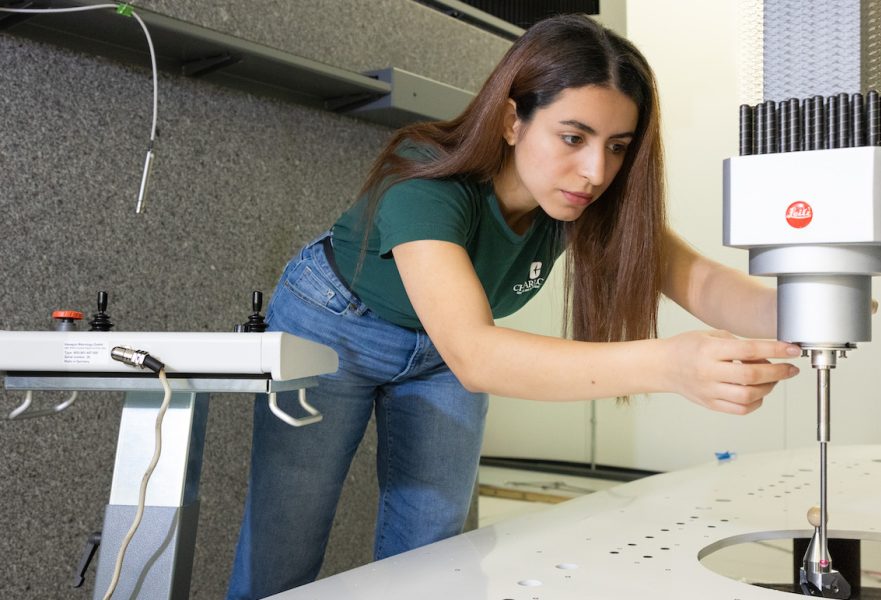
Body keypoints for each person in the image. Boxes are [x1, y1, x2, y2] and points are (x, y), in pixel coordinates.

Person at [226, 14, 801, 599]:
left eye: (618, 147)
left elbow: (701, 282)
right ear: (510, 120)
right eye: (573, 138)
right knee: (285, 543)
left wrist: (813, 303)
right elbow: (476, 355)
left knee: (433, 548)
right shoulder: (424, 181)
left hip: (443, 352)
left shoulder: (581, 203)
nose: (596, 172)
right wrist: (673, 366)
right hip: (334, 328)